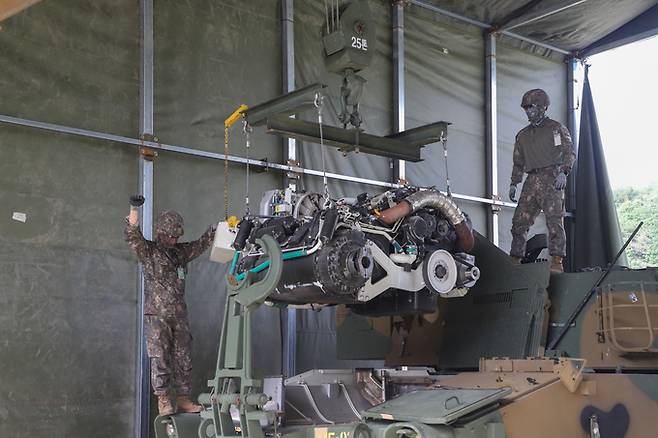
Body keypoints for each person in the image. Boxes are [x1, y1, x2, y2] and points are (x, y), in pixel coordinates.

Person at [125, 195, 216, 416]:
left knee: (183, 357)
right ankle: (164, 400)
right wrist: (134, 209)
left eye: (177, 236)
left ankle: (184, 398)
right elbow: (132, 235)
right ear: (161, 232)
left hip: (179, 315)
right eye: (170, 235)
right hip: (156, 316)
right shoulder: (148, 251)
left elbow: (202, 243)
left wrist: (217, 228)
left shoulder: (181, 253)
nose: (174, 239)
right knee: (160, 358)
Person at [508, 89, 576, 273]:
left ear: (543, 107)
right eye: (526, 108)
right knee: (519, 221)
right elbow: (518, 161)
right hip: (532, 179)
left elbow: (570, 152)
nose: (528, 111)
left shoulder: (556, 128)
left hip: (552, 177)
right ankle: (515, 259)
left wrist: (564, 172)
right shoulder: (522, 135)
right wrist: (514, 183)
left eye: (532, 107)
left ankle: (557, 260)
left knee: (555, 220)